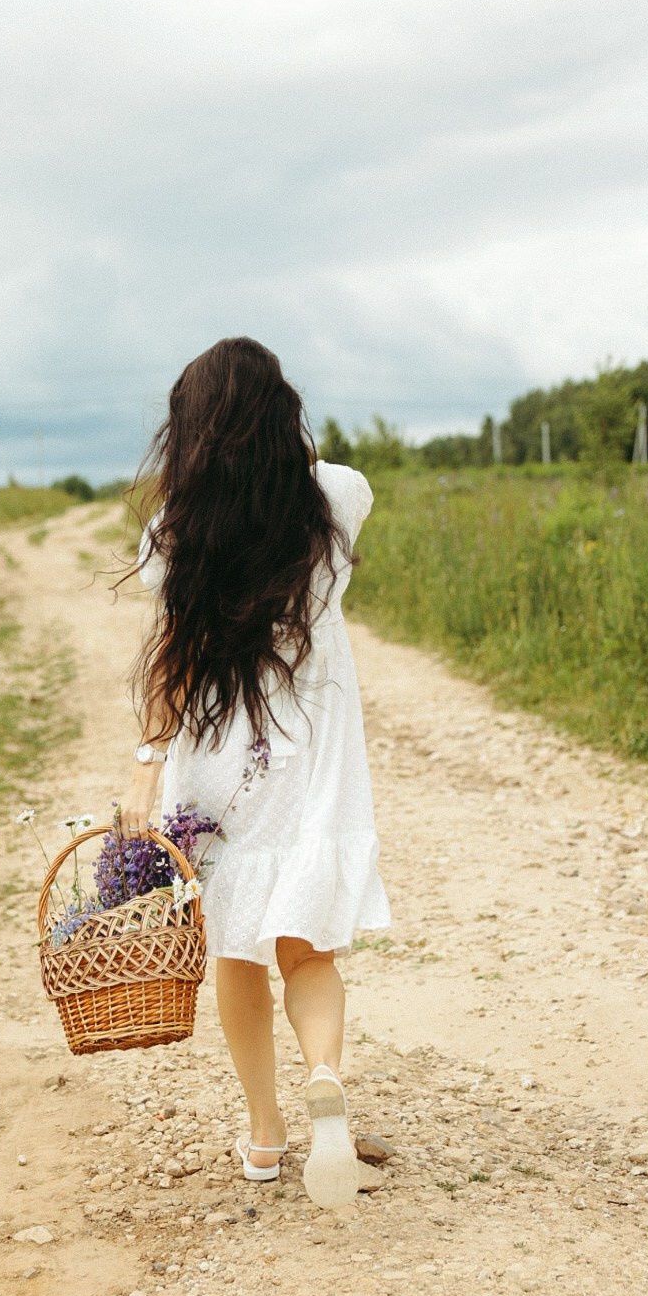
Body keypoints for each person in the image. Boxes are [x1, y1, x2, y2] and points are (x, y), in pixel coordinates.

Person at [119, 337, 390, 1209]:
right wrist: (284, 453)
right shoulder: (334, 501)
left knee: (238, 954)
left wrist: (143, 769)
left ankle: (267, 1137)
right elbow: (328, 468)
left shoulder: (174, 531)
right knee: (308, 951)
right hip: (312, 759)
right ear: (283, 419)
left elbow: (168, 658)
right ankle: (326, 1081)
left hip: (218, 764)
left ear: (189, 433)